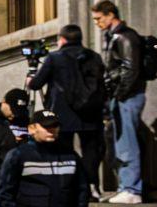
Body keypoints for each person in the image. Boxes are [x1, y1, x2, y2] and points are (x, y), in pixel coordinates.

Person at [92, 0, 148, 204]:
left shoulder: (125, 36)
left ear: (110, 15)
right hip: (121, 96)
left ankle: (132, 189)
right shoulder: (115, 36)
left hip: (127, 96)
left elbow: (130, 69)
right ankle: (126, 186)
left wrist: (120, 94)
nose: (97, 23)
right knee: (121, 141)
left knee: (127, 142)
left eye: (99, 18)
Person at [29, 25, 108, 153]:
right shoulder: (94, 56)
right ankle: (89, 174)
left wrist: (30, 80)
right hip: (90, 113)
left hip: (63, 114)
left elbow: (35, 84)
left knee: (65, 153)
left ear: (63, 39)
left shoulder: (54, 58)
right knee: (91, 155)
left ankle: (70, 173)